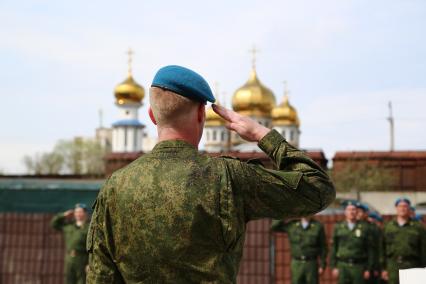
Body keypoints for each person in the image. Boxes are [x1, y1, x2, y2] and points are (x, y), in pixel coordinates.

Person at [86, 65, 336, 283]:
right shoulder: (228, 177)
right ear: (200, 115)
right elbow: (318, 189)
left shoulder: (115, 187)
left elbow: (101, 276)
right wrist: (263, 135)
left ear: (152, 116)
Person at [381, 198, 426, 284]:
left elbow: (423, 249)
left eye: (405, 206)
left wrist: (423, 268)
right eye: (400, 206)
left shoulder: (418, 227)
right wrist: (383, 268)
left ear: (409, 209)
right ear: (396, 208)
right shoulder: (388, 226)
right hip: (393, 266)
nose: (402, 208)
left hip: (412, 265)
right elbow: (382, 248)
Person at [271, 216, 328, 284]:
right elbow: (274, 227)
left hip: (311, 263)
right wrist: (285, 215)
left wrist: (322, 265)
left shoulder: (317, 226)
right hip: (297, 263)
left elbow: (323, 247)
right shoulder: (292, 225)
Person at [330, 201, 374, 284]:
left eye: (353, 209)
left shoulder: (365, 227)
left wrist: (368, 268)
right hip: (343, 265)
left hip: (359, 266)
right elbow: (334, 248)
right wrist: (334, 266)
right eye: (349, 209)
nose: (351, 212)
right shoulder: (338, 227)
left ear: (357, 212)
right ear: (345, 212)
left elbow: (370, 249)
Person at [51, 203, 90, 284]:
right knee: (69, 280)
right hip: (70, 258)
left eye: (80, 212)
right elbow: (54, 224)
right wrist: (63, 215)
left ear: (85, 213)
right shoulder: (69, 226)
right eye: (76, 212)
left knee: (81, 281)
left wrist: (89, 263)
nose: (78, 214)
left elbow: (92, 247)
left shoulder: (89, 227)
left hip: (82, 258)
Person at [355, 203, 380, 284]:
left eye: (360, 211)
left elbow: (376, 248)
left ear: (366, 214)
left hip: (369, 264)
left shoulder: (371, 227)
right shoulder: (351, 226)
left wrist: (375, 267)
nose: (358, 214)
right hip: (356, 264)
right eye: (357, 211)